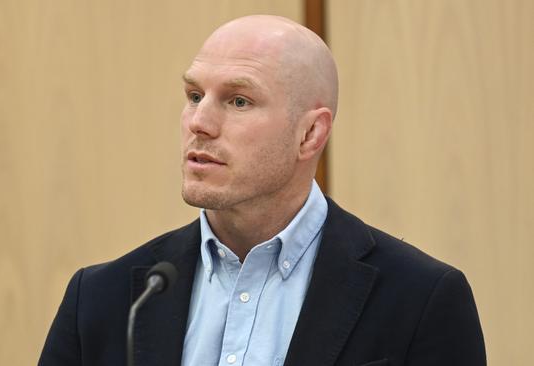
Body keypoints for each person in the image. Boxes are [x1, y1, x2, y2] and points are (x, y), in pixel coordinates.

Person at [38, 15, 485, 366]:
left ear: (310, 134)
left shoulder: (420, 299)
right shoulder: (104, 298)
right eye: (195, 96)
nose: (200, 123)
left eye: (238, 101)